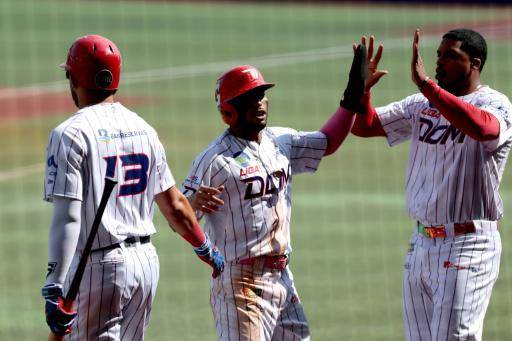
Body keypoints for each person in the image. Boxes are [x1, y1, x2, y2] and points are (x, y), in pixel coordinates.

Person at [41, 34, 224, 340]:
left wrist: (55, 285)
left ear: (73, 78)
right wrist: (203, 246)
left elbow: (68, 218)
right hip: (145, 267)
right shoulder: (144, 129)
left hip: (99, 268)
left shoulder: (69, 134)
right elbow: (176, 206)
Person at [180, 43, 368, 341]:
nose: (259, 102)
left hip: (282, 278)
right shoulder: (215, 160)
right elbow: (179, 214)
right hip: (241, 284)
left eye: (260, 94)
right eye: (248, 98)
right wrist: (192, 207)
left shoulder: (281, 140)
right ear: (228, 111)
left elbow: (327, 142)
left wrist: (351, 99)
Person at [351, 29, 512, 340]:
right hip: (422, 244)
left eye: (451, 56)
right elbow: (365, 125)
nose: (439, 63)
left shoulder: (495, 104)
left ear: (474, 63)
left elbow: (485, 130)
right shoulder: (420, 104)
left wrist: (427, 86)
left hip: (469, 245)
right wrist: (361, 91)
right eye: (438, 55)